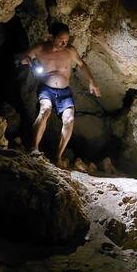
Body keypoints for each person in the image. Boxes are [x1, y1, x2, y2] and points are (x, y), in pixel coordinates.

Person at [19, 22, 100, 167]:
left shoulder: (69, 51)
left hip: (64, 92)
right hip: (46, 89)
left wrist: (92, 81)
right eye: (61, 40)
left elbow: (81, 65)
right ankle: (34, 149)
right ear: (51, 37)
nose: (64, 43)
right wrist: (28, 61)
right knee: (45, 110)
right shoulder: (40, 48)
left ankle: (58, 157)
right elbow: (23, 58)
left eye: (67, 40)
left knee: (69, 120)